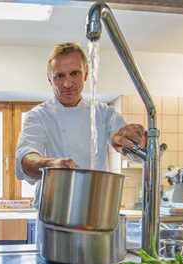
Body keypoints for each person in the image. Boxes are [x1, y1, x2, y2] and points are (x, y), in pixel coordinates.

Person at [16, 42, 146, 207]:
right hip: (53, 211)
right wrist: (51, 165)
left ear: (85, 74)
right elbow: (26, 158)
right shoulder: (38, 116)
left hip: (96, 210)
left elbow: (129, 147)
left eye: (74, 73)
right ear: (50, 79)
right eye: (59, 76)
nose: (67, 84)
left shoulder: (104, 113)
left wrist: (134, 140)